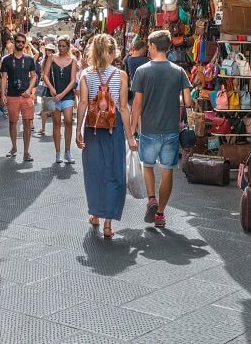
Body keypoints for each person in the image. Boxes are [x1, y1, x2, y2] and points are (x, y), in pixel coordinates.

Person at [128, 29, 191, 228]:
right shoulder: (178, 71)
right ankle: (161, 214)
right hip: (171, 129)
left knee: (147, 166)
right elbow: (188, 101)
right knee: (167, 172)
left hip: (149, 128)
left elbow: (137, 103)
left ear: (153, 46)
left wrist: (131, 129)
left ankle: (151, 199)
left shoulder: (142, 71)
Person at [75, 34, 131, 239]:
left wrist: (77, 130)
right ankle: (108, 224)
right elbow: (124, 108)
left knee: (94, 173)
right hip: (113, 129)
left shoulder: (85, 75)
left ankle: (95, 214)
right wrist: (131, 137)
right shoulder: (121, 75)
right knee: (114, 172)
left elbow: (82, 104)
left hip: (92, 129)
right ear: (112, 51)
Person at [0, 34, 40, 162]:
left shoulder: (29, 59)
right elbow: (4, 77)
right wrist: (2, 94)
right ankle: (14, 147)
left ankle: (26, 151)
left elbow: (34, 76)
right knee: (13, 123)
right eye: (18, 41)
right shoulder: (6, 60)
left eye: (23, 42)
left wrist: (29, 90)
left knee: (27, 123)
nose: (20, 44)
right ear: (14, 42)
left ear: (25, 44)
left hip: (26, 95)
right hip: (12, 95)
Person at [46, 37, 80, 164]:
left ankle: (68, 151)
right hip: (52, 95)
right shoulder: (52, 58)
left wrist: (62, 94)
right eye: (59, 46)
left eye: (63, 46)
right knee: (56, 123)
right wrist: (51, 88)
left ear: (68, 46)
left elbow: (73, 81)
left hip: (67, 95)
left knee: (69, 121)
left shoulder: (73, 60)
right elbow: (44, 75)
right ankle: (58, 153)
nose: (60, 48)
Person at [37, 44, 56, 136]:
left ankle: (55, 129)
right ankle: (43, 128)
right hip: (47, 86)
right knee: (45, 109)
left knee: (54, 109)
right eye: (47, 50)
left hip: (55, 86)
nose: (48, 52)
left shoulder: (56, 60)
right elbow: (42, 73)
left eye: (50, 50)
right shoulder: (44, 61)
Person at [123, 37, 149, 103]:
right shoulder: (145, 60)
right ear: (141, 49)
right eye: (145, 49)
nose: (145, 51)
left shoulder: (128, 59)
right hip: (143, 86)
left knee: (135, 102)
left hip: (133, 84)